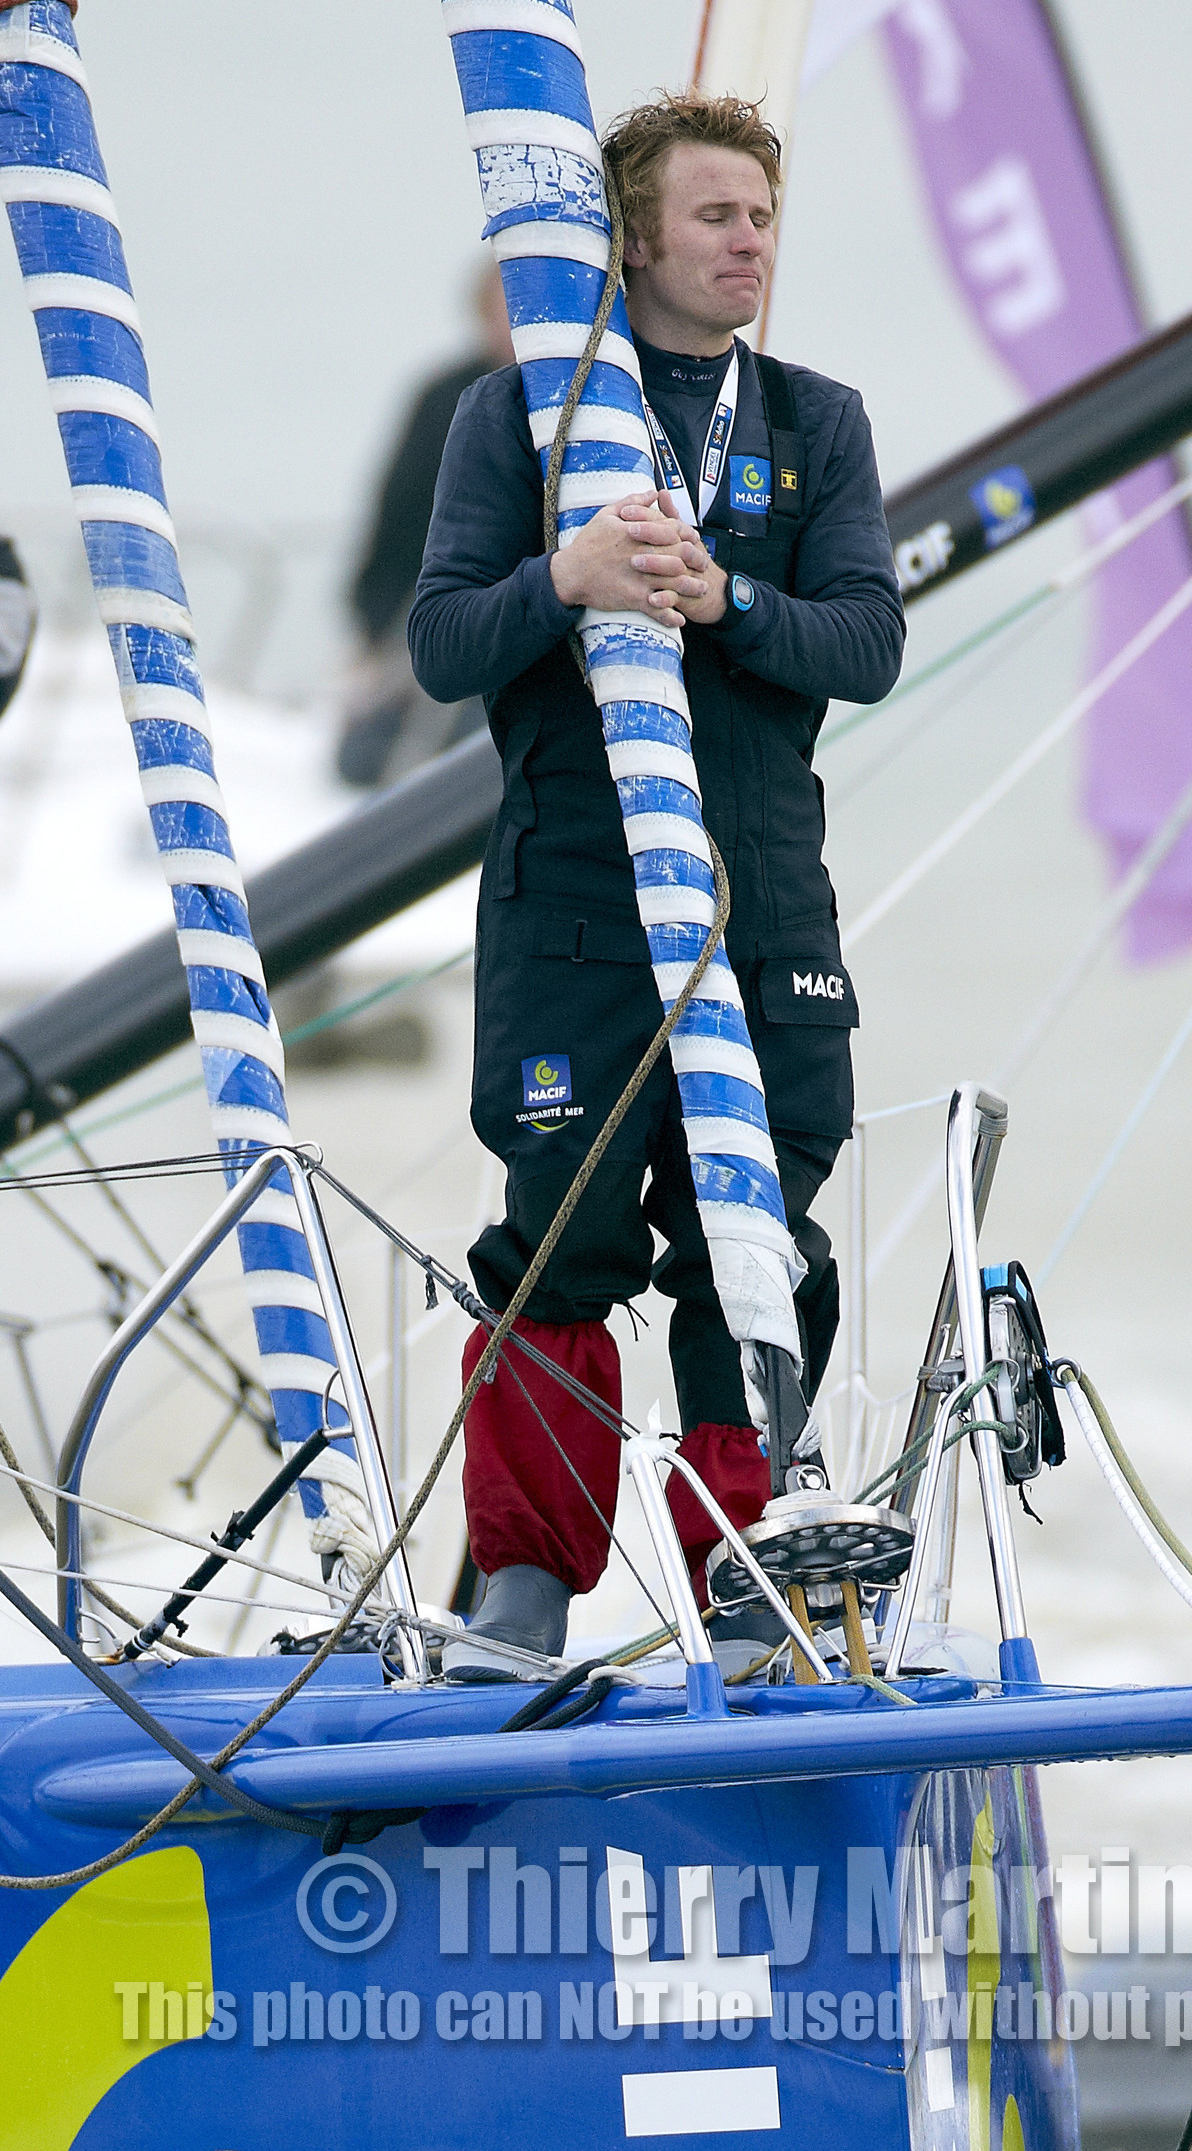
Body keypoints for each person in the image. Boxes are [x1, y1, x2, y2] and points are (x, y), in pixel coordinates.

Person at [409, 92, 904, 1680]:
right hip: (574, 893)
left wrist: (724, 601)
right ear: (632, 240)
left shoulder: (818, 421)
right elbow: (440, 644)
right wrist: (569, 579)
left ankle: (751, 1583)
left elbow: (868, 644)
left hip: (765, 906)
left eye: (761, 215)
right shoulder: (521, 415)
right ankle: (525, 1594)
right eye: (713, 216)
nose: (747, 241)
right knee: (560, 1239)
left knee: (756, 1232)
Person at [338, 260, 514, 787]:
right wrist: (373, 620)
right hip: (433, 612)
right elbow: (394, 513)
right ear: (482, 315)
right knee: (366, 759)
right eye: (504, 308)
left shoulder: (588, 398)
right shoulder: (444, 398)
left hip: (516, 618)